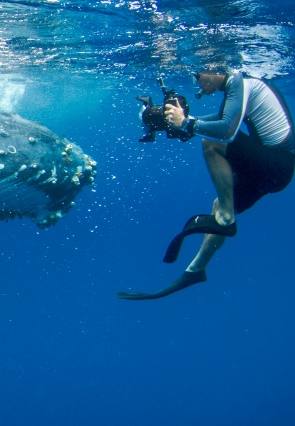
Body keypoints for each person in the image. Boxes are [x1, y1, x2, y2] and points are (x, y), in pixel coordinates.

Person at [119, 68, 295, 300]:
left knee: (211, 145)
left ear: (214, 71)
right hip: (274, 171)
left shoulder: (240, 82)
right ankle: (196, 270)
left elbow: (226, 130)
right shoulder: (236, 87)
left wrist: (188, 124)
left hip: (278, 164)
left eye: (198, 77)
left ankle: (225, 220)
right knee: (220, 205)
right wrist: (184, 123)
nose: (197, 85)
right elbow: (218, 119)